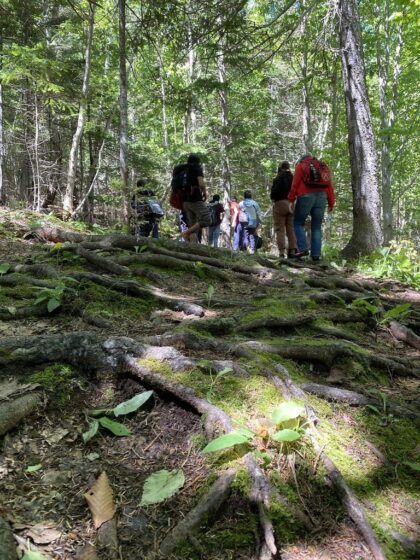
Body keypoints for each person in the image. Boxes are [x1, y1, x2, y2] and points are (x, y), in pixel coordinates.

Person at [288, 154, 335, 261]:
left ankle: (303, 248)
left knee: (298, 223)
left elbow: (294, 184)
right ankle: (316, 255)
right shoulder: (323, 167)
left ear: (302, 159)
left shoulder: (301, 166)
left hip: (305, 196)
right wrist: (331, 203)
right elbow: (329, 187)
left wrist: (291, 200)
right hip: (322, 197)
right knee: (316, 226)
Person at [179, 154, 211, 242]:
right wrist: (204, 192)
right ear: (197, 162)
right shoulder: (197, 169)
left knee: (192, 226)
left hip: (185, 201)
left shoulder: (183, 171)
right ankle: (185, 233)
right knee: (206, 219)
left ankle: (193, 247)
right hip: (195, 199)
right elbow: (201, 183)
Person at [270, 161, 297, 258]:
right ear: (288, 167)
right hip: (291, 204)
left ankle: (281, 252)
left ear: (280, 167)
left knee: (279, 229)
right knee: (291, 228)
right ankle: (293, 250)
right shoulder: (293, 178)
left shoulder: (278, 178)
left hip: (280, 204)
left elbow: (273, 194)